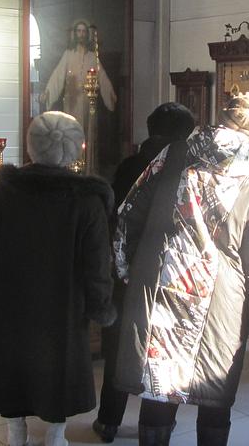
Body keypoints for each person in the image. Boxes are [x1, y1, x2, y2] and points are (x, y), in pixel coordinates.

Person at [113, 94, 249, 446]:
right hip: (222, 301)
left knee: (159, 389)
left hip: (161, 287)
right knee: (214, 393)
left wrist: (127, 271)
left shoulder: (171, 155)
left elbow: (128, 214)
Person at [0, 111, 116, 446]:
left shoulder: (7, 191)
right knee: (59, 368)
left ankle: (15, 432)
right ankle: (55, 435)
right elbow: (97, 263)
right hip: (65, 303)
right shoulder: (86, 198)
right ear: (73, 148)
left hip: (13, 297)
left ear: (32, 145)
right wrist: (100, 304)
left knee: (13, 363)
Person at [92, 102, 196, 444]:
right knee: (165, 350)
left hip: (128, 269)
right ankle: (156, 426)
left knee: (120, 345)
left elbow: (116, 217)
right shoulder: (189, 169)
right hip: (173, 272)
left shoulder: (130, 166)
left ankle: (109, 421)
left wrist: (119, 265)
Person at [42, 20, 117, 123]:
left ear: (87, 34)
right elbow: (57, 75)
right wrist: (48, 92)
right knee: (72, 126)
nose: (81, 34)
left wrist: (110, 93)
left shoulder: (92, 57)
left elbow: (102, 77)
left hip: (88, 102)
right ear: (75, 34)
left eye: (83, 31)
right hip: (72, 102)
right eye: (79, 31)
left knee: (88, 127)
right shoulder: (68, 55)